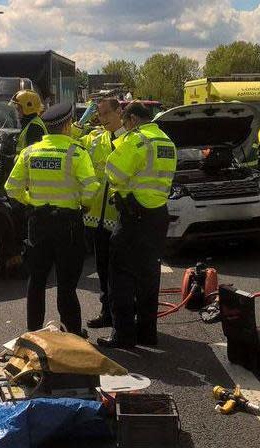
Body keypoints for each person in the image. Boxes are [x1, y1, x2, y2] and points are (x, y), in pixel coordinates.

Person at [4, 102, 99, 336]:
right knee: (66, 285)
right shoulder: (76, 152)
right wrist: (82, 205)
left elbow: (11, 188)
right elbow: (92, 188)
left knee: (36, 282)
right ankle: (73, 335)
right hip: (68, 224)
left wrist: (31, 201)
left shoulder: (30, 152)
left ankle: (33, 334)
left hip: (38, 223)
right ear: (67, 125)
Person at [97, 102, 177, 349]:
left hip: (133, 216)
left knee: (120, 276)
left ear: (132, 119)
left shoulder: (137, 140)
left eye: (125, 122)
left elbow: (114, 172)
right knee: (149, 276)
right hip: (158, 216)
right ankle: (147, 332)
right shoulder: (166, 141)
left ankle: (123, 335)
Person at [81, 98, 126, 329]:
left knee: (120, 272)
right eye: (99, 114)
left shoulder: (129, 139)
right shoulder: (97, 137)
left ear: (120, 111)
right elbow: (69, 141)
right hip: (96, 218)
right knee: (102, 269)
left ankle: (123, 317)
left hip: (120, 218)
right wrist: (83, 120)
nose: (103, 118)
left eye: (106, 113)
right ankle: (106, 312)